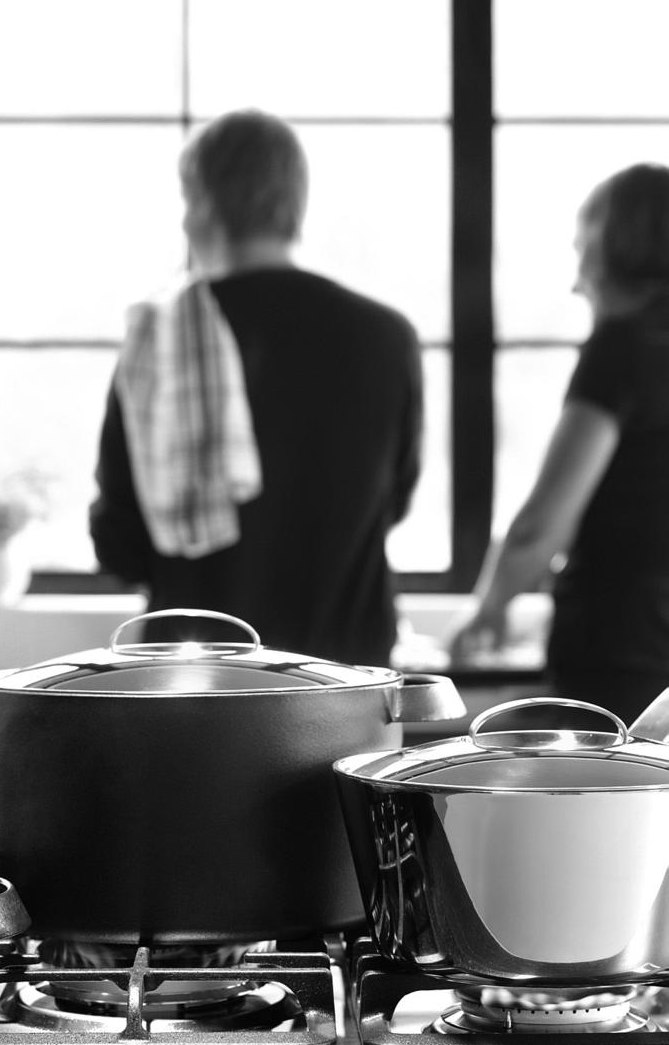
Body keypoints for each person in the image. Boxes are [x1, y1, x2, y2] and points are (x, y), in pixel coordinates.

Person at [88, 108, 424, 667]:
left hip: (195, 685)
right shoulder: (387, 335)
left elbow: (118, 539)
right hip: (346, 677)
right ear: (296, 204)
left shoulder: (160, 340)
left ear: (201, 205)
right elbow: (394, 501)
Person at [449, 163, 669, 724]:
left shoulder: (621, 349)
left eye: (583, 253)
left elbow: (546, 519)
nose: (576, 281)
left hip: (620, 656)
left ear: (621, 252)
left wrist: (489, 609)